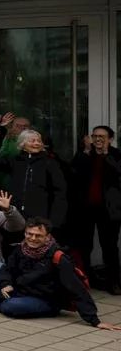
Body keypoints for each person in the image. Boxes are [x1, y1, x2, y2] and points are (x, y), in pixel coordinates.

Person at [0, 219, 121, 330]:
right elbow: (6, 269)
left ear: (47, 237)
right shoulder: (20, 249)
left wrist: (94, 320)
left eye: (38, 236)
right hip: (17, 289)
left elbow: (77, 288)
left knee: (11, 307)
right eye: (29, 234)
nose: (33, 239)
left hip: (45, 299)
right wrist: (5, 284)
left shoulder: (58, 257)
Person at [0, 115, 66, 231]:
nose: (36, 143)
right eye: (32, 141)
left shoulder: (50, 163)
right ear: (22, 144)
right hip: (16, 216)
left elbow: (59, 193)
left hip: (41, 218)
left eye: (38, 141)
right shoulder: (16, 161)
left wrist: (54, 222)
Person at [71, 126, 121, 294]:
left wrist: (105, 155)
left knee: (110, 246)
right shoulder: (85, 154)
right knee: (84, 245)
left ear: (111, 139)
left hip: (109, 209)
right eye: (95, 136)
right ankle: (85, 279)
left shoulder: (116, 155)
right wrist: (85, 152)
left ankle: (113, 280)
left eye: (102, 136)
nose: (98, 139)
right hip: (85, 208)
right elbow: (73, 174)